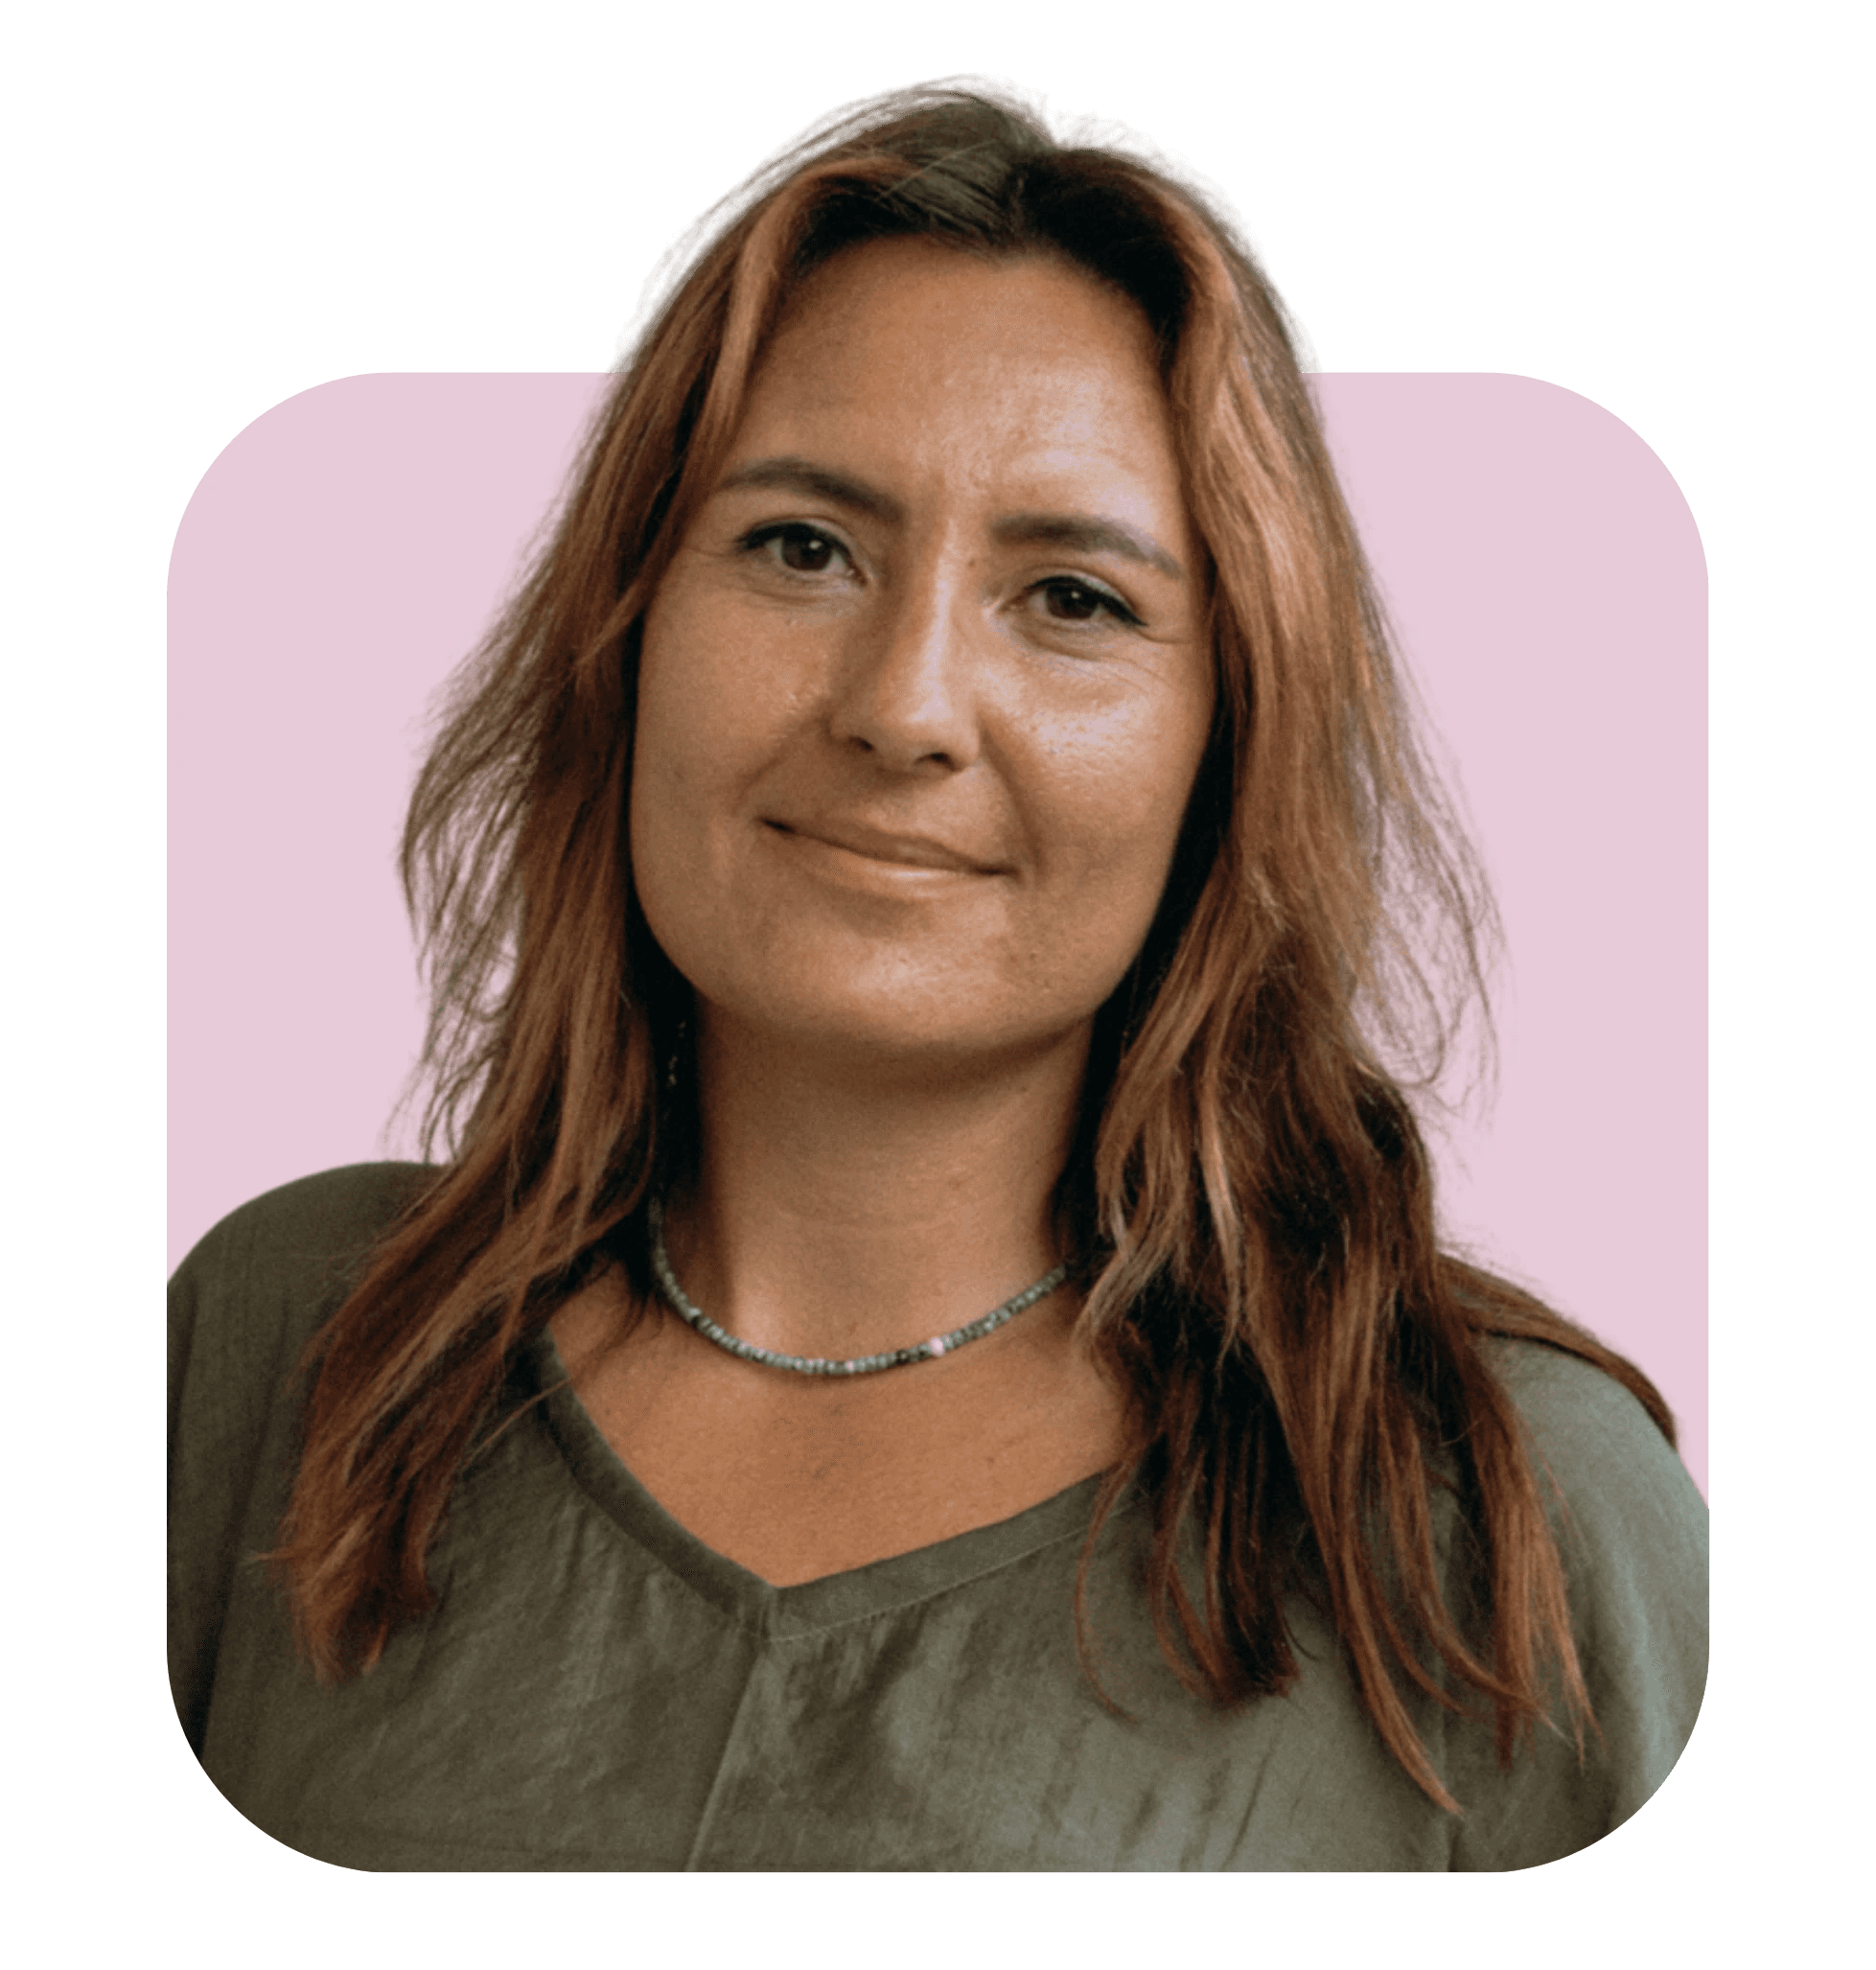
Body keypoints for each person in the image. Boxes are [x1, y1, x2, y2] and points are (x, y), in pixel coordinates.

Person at [168, 78, 1707, 1872]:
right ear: (628, 634)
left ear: (1226, 749)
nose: (903, 706)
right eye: (802, 547)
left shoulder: (1504, 1513)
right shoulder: (284, 1346)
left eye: (1074, 599)